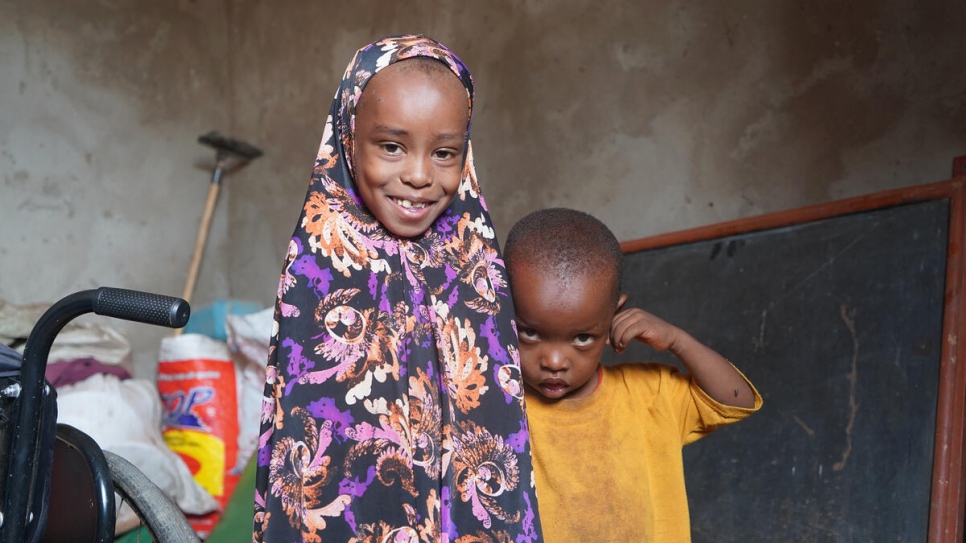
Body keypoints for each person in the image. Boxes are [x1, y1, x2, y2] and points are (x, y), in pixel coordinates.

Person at [253, 35, 543, 543]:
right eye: (391, 146)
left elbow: (500, 421)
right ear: (348, 136)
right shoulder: (319, 271)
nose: (417, 176)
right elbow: (308, 449)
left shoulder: (477, 269)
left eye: (445, 153)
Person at [502, 207, 762, 542]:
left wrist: (678, 341)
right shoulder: (497, 405)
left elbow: (734, 400)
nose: (554, 361)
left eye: (582, 338)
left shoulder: (648, 394)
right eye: (531, 334)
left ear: (613, 316)